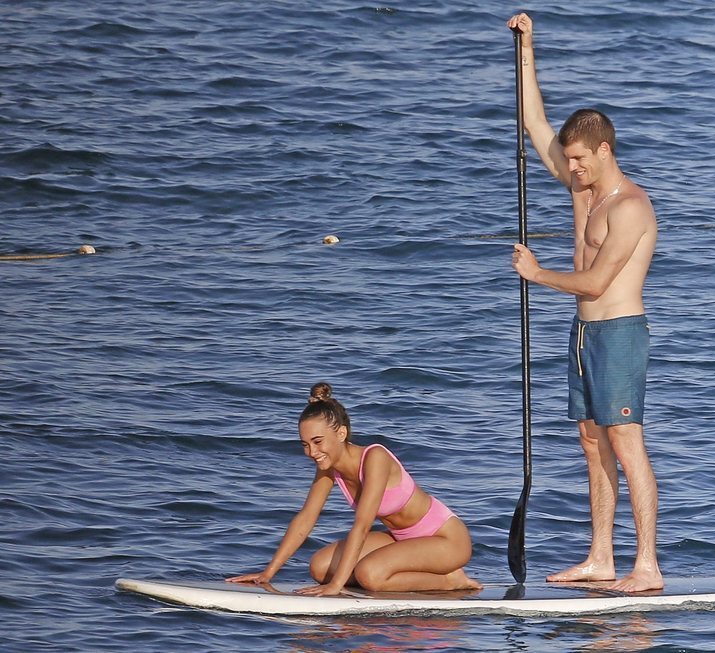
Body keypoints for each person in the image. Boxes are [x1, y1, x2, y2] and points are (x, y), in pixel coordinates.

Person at [506, 13, 663, 593]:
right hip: (582, 335)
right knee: (591, 440)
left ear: (603, 149)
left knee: (626, 442)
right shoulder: (582, 188)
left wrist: (536, 272)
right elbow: (533, 119)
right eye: (566, 161)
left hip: (618, 331)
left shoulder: (631, 208)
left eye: (578, 161)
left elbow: (596, 283)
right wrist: (527, 47)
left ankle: (646, 566)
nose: (568, 170)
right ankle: (601, 558)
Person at [227, 382, 480, 595]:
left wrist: (337, 585)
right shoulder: (328, 467)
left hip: (445, 539)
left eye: (317, 442)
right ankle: (399, 573)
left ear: (341, 433)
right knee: (319, 567)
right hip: (399, 537)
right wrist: (267, 573)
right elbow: (306, 518)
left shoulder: (375, 458)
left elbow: (362, 524)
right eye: (304, 444)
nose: (312, 452)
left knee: (369, 575)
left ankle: (450, 580)